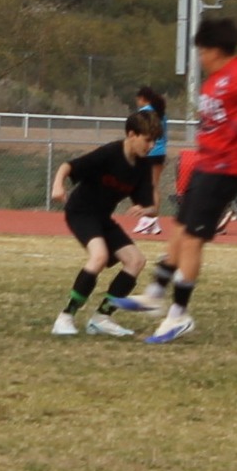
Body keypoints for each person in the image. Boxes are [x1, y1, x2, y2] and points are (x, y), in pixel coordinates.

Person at [114, 17, 237, 343]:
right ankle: (154, 294)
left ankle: (179, 315)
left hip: (225, 170)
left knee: (192, 241)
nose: (200, 59)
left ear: (215, 50)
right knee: (179, 232)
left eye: (202, 52)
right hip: (205, 167)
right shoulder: (214, 81)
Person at [49, 111, 160, 338]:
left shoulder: (142, 167)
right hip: (80, 212)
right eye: (148, 139)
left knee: (136, 260)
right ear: (132, 134)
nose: (152, 145)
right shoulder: (110, 153)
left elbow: (150, 206)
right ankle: (65, 317)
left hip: (102, 218)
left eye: (154, 140)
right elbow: (67, 166)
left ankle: (101, 318)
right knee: (98, 256)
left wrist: (146, 209)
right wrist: (58, 186)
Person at [132, 87, 168, 236]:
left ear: (142, 98)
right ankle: (153, 220)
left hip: (149, 152)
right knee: (154, 186)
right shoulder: (161, 112)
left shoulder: (144, 112)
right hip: (161, 152)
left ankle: (147, 219)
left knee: (144, 186)